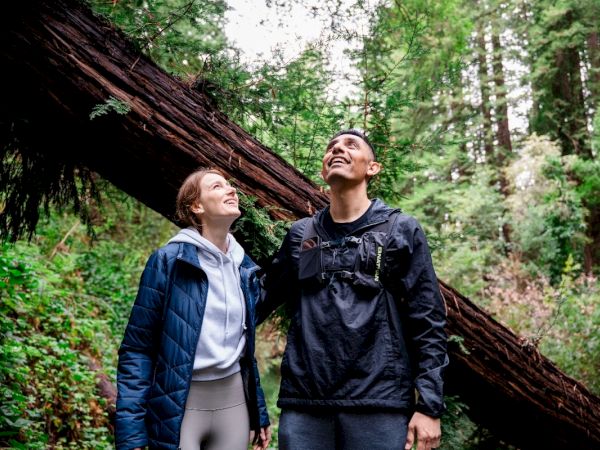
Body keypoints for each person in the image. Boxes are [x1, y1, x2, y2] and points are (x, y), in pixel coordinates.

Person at [258, 129, 448, 450]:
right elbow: (257, 300)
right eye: (331, 147)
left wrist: (429, 405)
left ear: (371, 168)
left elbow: (428, 320)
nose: (337, 150)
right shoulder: (305, 235)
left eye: (350, 145)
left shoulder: (400, 229)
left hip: (379, 405)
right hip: (306, 407)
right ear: (323, 170)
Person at [115, 168, 271, 450]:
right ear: (196, 207)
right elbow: (137, 349)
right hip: (179, 403)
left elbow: (247, 350)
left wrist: (258, 411)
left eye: (230, 186)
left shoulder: (244, 267)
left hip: (233, 403)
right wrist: (131, 434)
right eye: (217, 187)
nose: (231, 190)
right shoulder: (168, 261)